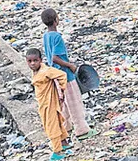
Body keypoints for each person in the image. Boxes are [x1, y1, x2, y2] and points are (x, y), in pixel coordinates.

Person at [41, 9, 98, 142]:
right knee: (74, 102)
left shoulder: (46, 36)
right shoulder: (57, 37)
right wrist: (70, 65)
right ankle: (82, 130)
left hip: (54, 75)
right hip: (65, 75)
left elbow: (50, 57)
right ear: (56, 20)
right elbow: (55, 57)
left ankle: (66, 127)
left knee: (64, 103)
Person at [26, 48, 72, 161]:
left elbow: (62, 75)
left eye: (35, 61)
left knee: (51, 126)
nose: (32, 64)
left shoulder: (46, 71)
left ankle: (57, 151)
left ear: (40, 60)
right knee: (56, 122)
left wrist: (60, 91)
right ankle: (64, 144)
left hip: (50, 103)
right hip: (44, 103)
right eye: (30, 61)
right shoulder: (36, 71)